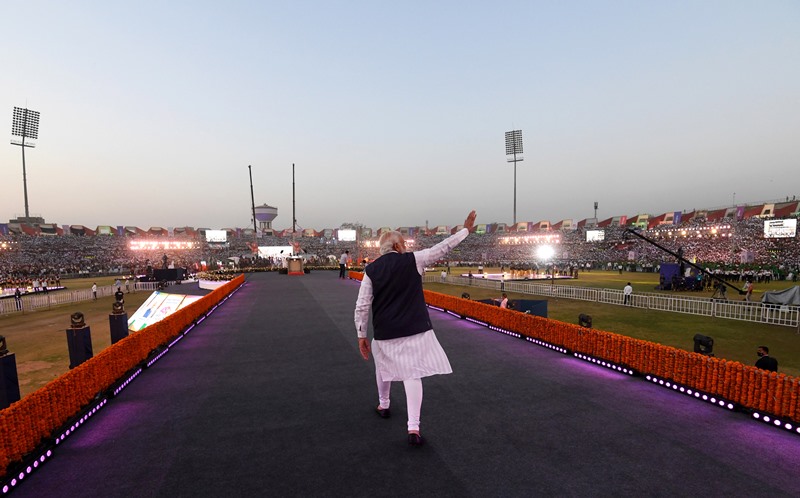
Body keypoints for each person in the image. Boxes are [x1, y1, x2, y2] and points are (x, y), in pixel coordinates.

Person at [355, 210, 477, 447]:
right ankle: (413, 428)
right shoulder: (414, 259)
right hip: (414, 328)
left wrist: (361, 334)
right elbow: (443, 247)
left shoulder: (371, 271)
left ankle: (384, 404)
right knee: (412, 375)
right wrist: (465, 230)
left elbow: (362, 306)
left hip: (385, 330)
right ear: (398, 245)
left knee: (383, 367)